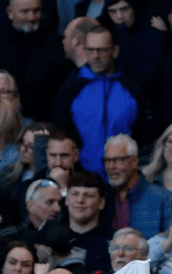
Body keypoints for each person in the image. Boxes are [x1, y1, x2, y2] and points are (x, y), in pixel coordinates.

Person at [50, 26, 147, 178]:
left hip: (125, 177)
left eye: (102, 50)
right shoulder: (70, 88)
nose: (96, 56)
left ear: (114, 51)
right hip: (82, 177)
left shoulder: (132, 89)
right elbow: (59, 131)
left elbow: (144, 134)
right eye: (91, 50)